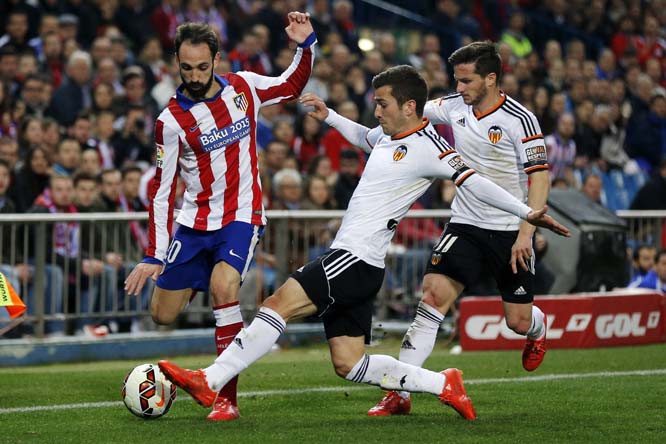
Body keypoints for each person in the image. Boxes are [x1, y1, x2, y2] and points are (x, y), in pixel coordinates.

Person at [157, 65, 569, 421]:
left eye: (383, 104)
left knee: (275, 305)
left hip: (352, 259)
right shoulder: (388, 138)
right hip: (362, 265)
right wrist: (330, 116)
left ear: (409, 107)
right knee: (349, 364)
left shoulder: (432, 149)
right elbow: (364, 137)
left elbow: (475, 182)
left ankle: (210, 380)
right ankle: (443, 383)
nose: (376, 112)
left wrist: (524, 212)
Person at [123, 14, 316, 422]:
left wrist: (305, 46)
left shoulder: (244, 88)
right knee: (162, 315)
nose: (194, 76)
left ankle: (224, 398)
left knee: (224, 286)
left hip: (242, 215)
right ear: (177, 61)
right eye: (186, 67)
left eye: (202, 66)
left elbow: (291, 84)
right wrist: (155, 254)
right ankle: (196, 278)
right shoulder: (170, 122)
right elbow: (162, 189)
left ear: (216, 59)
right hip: (194, 223)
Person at [368, 41, 555, 416]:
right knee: (432, 298)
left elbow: (539, 178)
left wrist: (525, 234)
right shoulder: (453, 106)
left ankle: (538, 328)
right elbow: (412, 109)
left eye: (467, 80)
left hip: (508, 231)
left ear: (491, 78)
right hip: (466, 223)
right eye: (457, 80)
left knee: (517, 321)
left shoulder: (521, 119)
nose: (460, 88)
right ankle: (400, 392)